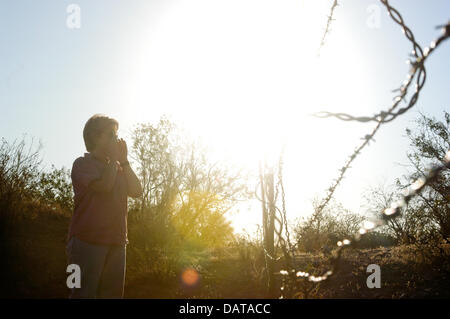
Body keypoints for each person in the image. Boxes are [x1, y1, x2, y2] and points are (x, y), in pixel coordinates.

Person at [66, 114, 142, 298]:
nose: (116, 140)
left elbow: (137, 191)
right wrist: (115, 160)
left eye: (116, 135)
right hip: (85, 242)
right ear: (95, 137)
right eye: (111, 135)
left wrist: (123, 161)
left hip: (117, 242)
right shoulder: (82, 164)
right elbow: (105, 186)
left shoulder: (119, 167)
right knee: (81, 294)